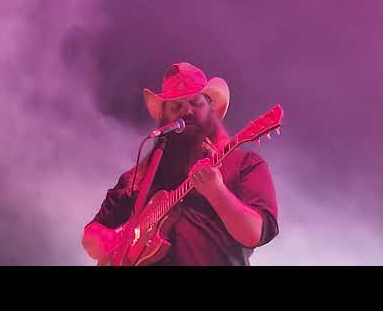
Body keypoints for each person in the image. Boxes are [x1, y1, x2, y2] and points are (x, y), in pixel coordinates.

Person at [82, 62, 279, 266]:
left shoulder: (244, 164)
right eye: (176, 106)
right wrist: (106, 241)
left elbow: (255, 234)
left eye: (195, 103)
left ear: (211, 109)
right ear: (164, 117)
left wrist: (217, 192)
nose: (187, 112)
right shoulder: (140, 176)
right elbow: (92, 233)